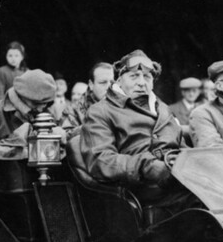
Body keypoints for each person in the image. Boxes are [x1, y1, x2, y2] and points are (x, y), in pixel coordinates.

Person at [79, 49, 184, 205]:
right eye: (134, 76)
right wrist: (144, 166)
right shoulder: (100, 111)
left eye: (147, 76)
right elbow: (100, 160)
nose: (141, 82)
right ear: (119, 81)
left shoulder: (163, 109)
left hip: (178, 182)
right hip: (138, 191)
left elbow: (181, 145)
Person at [0, 69, 63, 151]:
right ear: (22, 96)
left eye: (46, 103)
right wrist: (17, 140)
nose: (41, 108)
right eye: (36, 103)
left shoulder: (48, 111)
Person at [63, 62, 115, 138]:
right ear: (91, 84)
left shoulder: (122, 105)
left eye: (112, 83)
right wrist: (92, 127)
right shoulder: (73, 111)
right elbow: (65, 136)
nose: (108, 87)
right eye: (103, 83)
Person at [169, 77, 202, 142]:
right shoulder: (172, 108)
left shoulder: (202, 108)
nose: (191, 94)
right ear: (182, 92)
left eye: (194, 91)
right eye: (188, 91)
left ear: (199, 92)